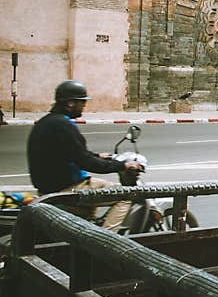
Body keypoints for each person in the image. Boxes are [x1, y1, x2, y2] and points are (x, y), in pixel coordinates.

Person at [26, 80, 142, 231]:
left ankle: (89, 230)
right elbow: (86, 162)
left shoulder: (46, 122)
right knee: (127, 195)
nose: (84, 106)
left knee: (94, 197)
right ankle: (106, 242)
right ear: (70, 104)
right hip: (68, 188)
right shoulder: (64, 125)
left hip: (49, 187)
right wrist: (123, 165)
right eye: (81, 102)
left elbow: (72, 153)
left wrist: (98, 155)